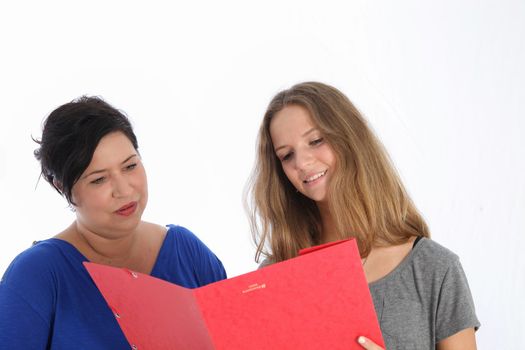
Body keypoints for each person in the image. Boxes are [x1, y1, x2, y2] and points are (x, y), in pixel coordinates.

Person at [247, 82, 479, 349]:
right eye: (287, 155)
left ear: (350, 139)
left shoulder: (434, 269)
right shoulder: (274, 276)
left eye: (316, 141)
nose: (301, 162)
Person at [0, 96, 227, 349]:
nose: (124, 190)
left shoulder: (188, 252)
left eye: (130, 166)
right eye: (99, 180)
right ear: (62, 186)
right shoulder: (37, 275)